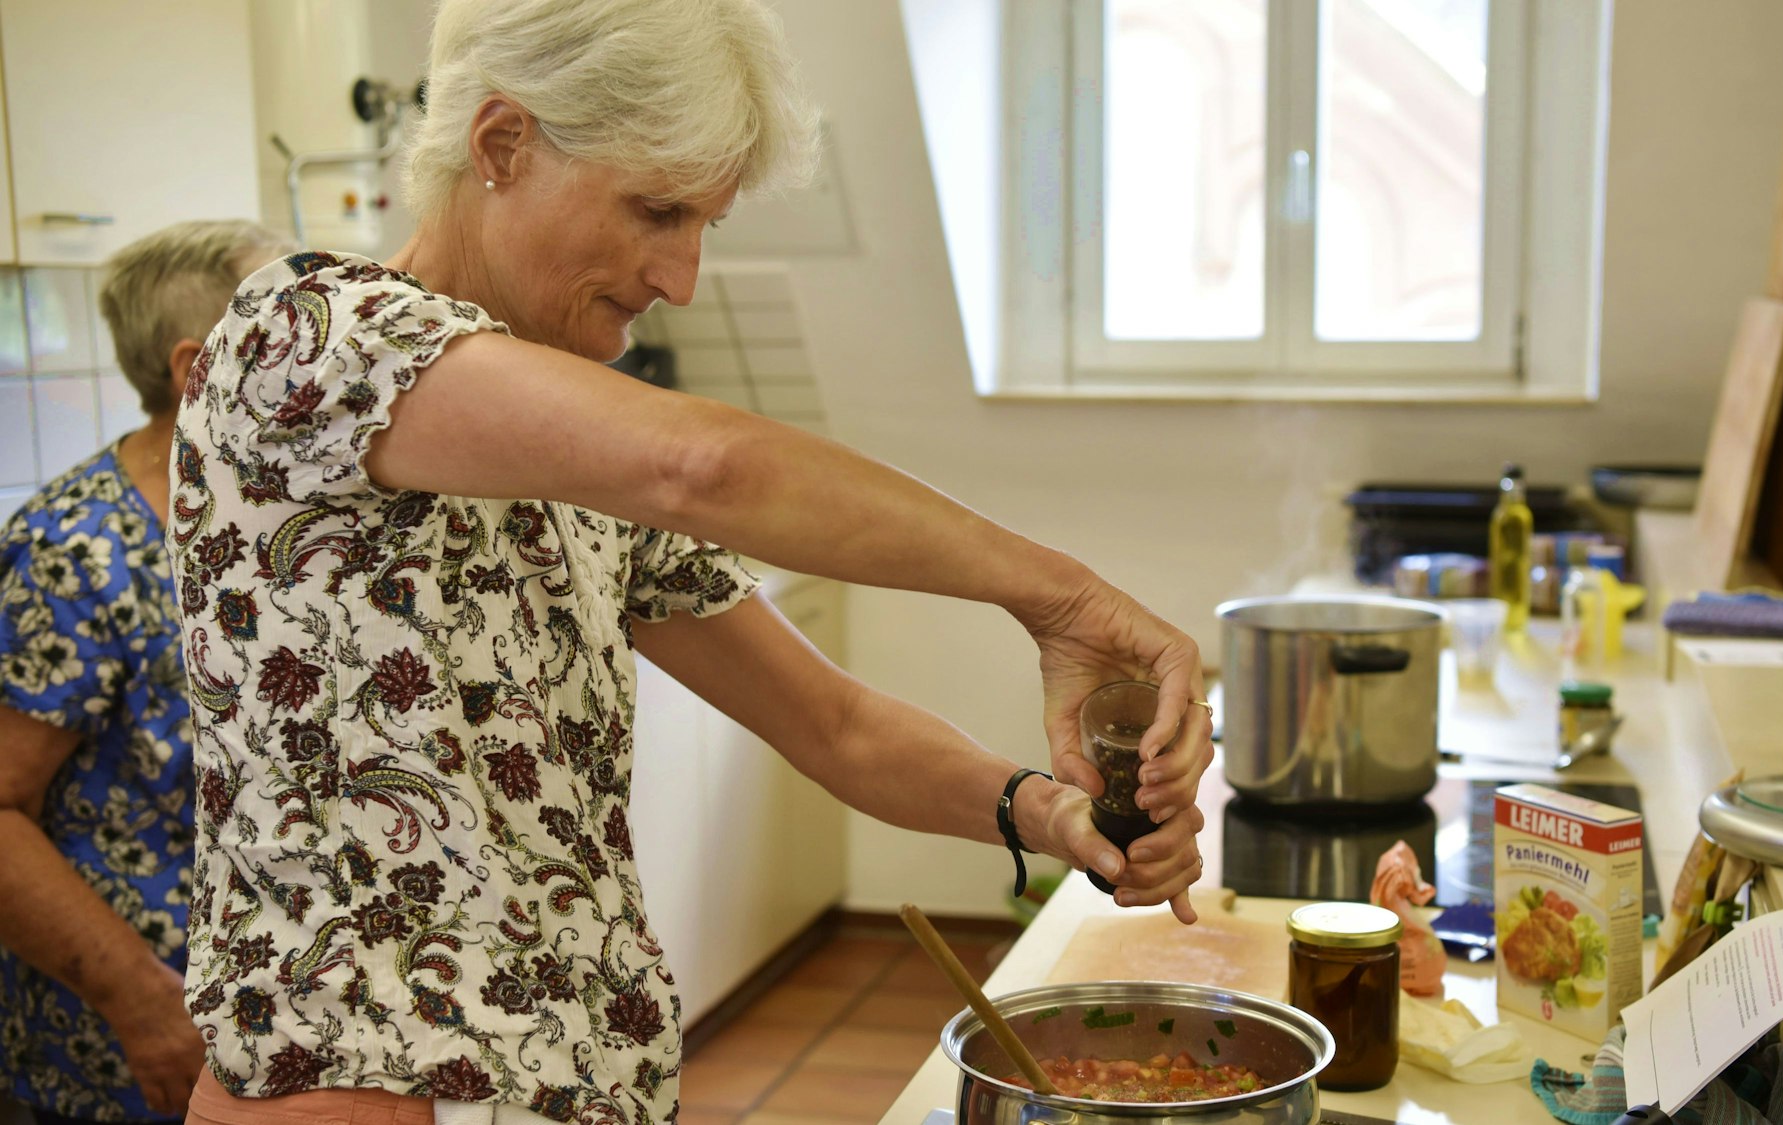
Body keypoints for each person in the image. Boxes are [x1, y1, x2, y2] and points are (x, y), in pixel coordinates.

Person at [170, 2, 1213, 1123]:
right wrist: (1054, 594)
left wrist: (1046, 814)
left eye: (703, 224)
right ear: (501, 145)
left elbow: (838, 728)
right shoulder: (309, 338)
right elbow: (702, 467)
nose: (681, 276)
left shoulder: (575, 471)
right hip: (371, 1086)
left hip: (581, 1080)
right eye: (657, 211)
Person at [0, 221, 295, 1125]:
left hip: (279, 1039)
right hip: (129, 1056)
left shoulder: (285, 519)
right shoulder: (74, 552)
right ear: (198, 368)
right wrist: (141, 1002)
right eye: (294, 327)